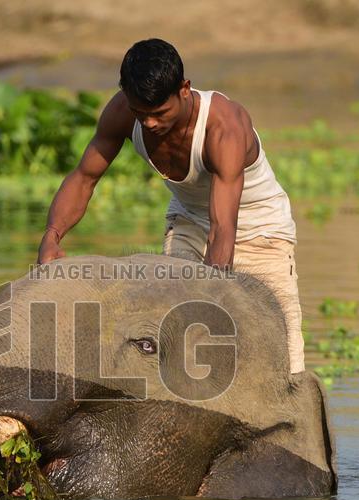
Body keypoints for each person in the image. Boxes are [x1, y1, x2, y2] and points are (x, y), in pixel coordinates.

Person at [36, 38, 305, 374]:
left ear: (184, 89)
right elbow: (84, 178)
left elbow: (224, 227)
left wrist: (209, 301)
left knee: (285, 362)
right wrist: (52, 235)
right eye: (140, 113)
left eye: (159, 113)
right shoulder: (122, 112)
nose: (148, 124)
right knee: (171, 347)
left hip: (262, 234)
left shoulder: (224, 127)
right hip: (189, 225)